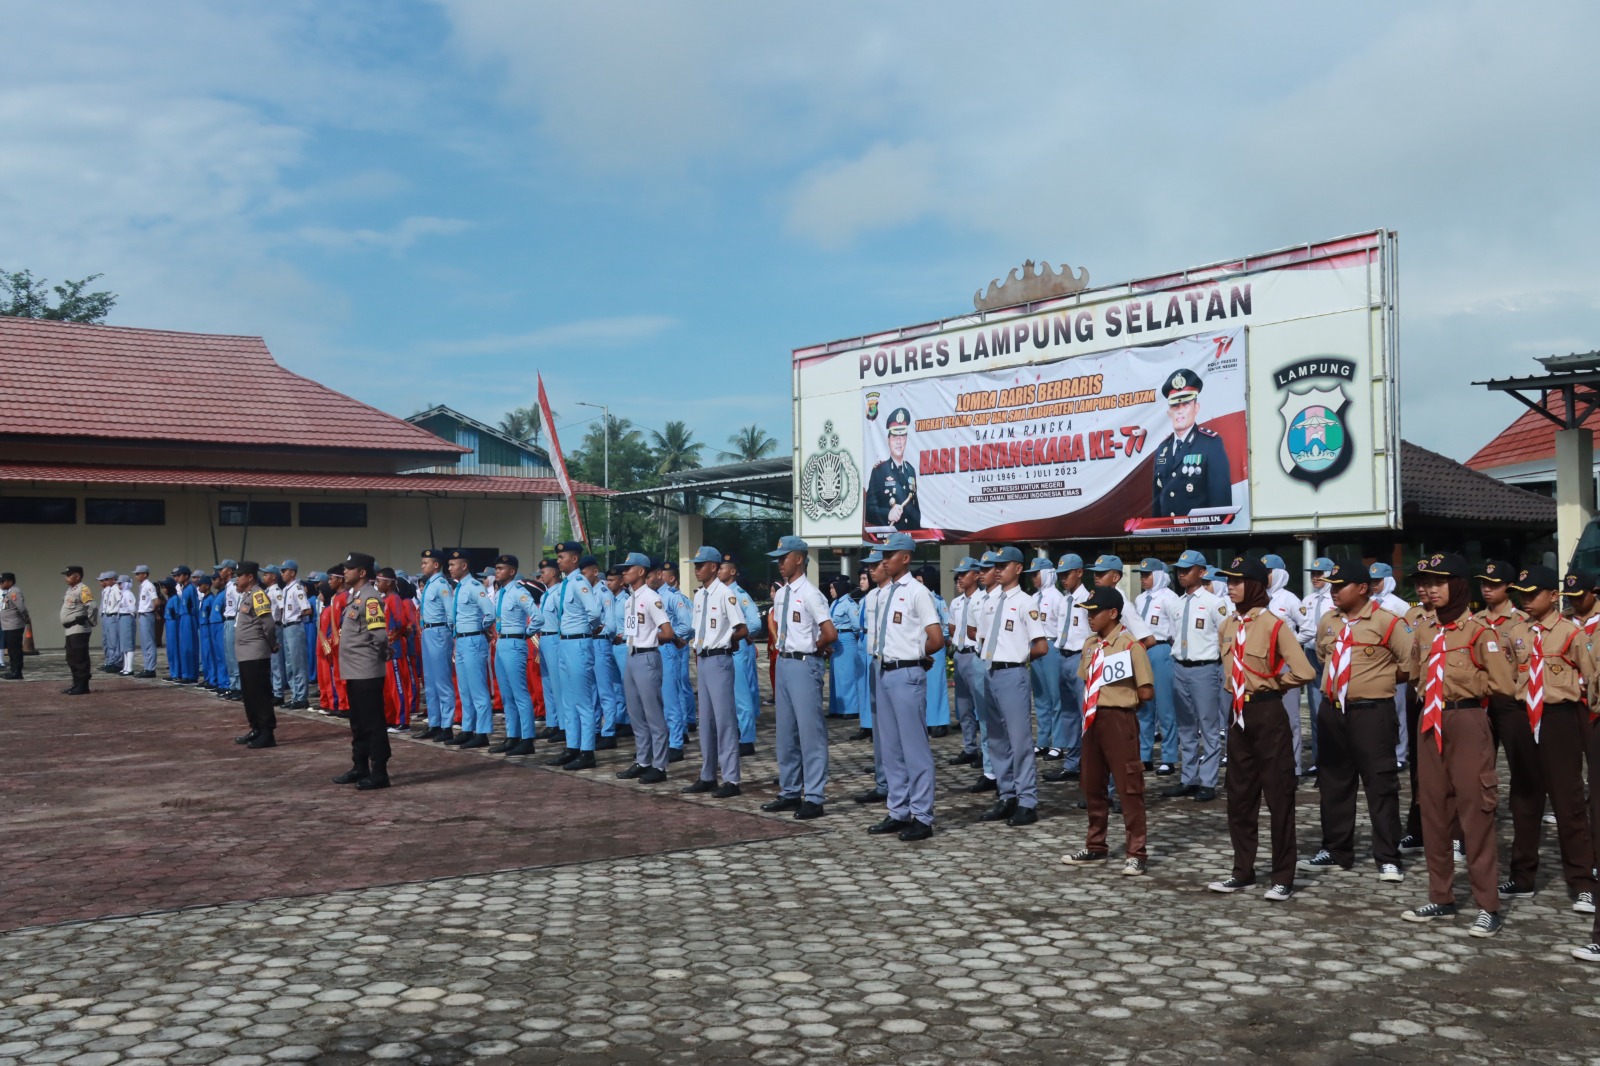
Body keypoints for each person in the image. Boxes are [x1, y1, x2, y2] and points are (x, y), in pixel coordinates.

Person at [1401, 552, 1515, 937]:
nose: (1428, 589)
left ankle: (1488, 905)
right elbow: (1417, 673)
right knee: (1433, 809)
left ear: (1459, 584)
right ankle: (1442, 896)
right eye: (1424, 582)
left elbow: (1502, 685)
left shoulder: (1480, 632)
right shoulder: (1423, 630)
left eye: (1437, 581)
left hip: (1467, 719)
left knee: (1475, 812)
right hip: (1429, 721)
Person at [1298, 558, 1413, 882]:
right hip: (1333, 711)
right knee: (1333, 782)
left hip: (1372, 712)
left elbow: (1409, 662)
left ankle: (1388, 856)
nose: (1333, 592)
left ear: (1362, 588)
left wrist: (1379, 680)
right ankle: (1335, 848)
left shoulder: (1387, 621)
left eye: (1340, 586)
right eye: (1332, 586)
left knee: (1380, 784)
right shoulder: (1328, 621)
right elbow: (1323, 656)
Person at [1208, 556, 1315, 901]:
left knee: (1279, 796)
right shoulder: (1228, 626)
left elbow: (1305, 671)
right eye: (1229, 581)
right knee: (1239, 797)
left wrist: (1273, 682)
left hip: (1268, 712)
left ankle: (1283, 875)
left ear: (1254, 585)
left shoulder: (1273, 624)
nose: (1231, 586)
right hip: (1237, 716)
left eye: (1238, 581)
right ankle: (1243, 871)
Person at [1503, 566, 1596, 912]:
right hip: (1525, 714)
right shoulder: (1517, 632)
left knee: (1567, 801)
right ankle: (1522, 875)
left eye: (1533, 594)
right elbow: (1514, 671)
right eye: (1522, 594)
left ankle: (1583, 881)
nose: (1526, 600)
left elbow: (1588, 675)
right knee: (1524, 799)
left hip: (1559, 717)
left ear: (1553, 596)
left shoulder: (1571, 633)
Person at [1062, 586, 1155, 872]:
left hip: (1119, 718)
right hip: (1092, 719)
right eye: (1087, 612)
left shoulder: (1130, 645)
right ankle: (1095, 845)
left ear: (1113, 613)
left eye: (1095, 612)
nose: (1089, 617)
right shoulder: (1090, 645)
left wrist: (1123, 704)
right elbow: (1086, 680)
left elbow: (1147, 690)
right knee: (1091, 783)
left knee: (1128, 785)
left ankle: (1136, 852)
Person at [859, 532, 944, 840]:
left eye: (890, 554)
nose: (884, 560)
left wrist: (918, 654)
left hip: (906, 674)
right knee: (890, 748)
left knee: (914, 748)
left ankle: (922, 815)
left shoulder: (917, 592)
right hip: (883, 671)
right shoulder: (883, 593)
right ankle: (898, 810)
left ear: (905, 558)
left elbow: (936, 637)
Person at [760, 535, 837, 820]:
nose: (780, 563)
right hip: (784, 663)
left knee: (810, 733)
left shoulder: (811, 594)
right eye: (779, 558)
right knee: (786, 733)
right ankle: (790, 790)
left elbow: (830, 634)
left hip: (804, 663)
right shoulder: (782, 594)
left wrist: (811, 648)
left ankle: (815, 796)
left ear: (800, 559)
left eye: (784, 557)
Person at [975, 545, 1050, 828]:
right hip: (990, 672)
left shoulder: (1026, 602)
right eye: (995, 565)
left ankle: (1027, 801)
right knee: (996, 739)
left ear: (1018, 569)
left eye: (1003, 565)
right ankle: (1007, 795)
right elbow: (983, 639)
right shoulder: (991, 601)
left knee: (1019, 741)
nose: (997, 569)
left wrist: (1019, 655)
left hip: (1012, 673)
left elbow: (1041, 646)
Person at [1474, 560, 1536, 894]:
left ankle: (1524, 862)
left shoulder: (1523, 621)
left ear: (1508, 588)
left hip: (1514, 703)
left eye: (1494, 584)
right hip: (1482, 703)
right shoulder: (1474, 621)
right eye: (1483, 583)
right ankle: (1469, 844)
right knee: (1474, 775)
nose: (1487, 589)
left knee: (1524, 778)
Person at [1162, 550, 1230, 803]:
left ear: (1201, 573)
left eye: (1186, 569)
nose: (1181, 573)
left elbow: (1226, 637)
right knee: (1186, 726)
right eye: (1179, 569)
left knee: (1209, 726)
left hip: (1205, 668)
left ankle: (1208, 781)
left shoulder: (1215, 603)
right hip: (1180, 666)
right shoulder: (1177, 603)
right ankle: (1188, 778)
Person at [683, 545, 748, 798]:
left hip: (720, 659)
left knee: (724, 721)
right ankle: (708, 774)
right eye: (695, 565)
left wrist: (727, 642)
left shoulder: (725, 594)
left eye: (700, 565)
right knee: (706, 722)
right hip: (703, 659)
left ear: (713, 566)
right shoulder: (700, 595)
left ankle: (731, 779)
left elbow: (741, 628)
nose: (697, 569)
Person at [332, 552, 392, 789]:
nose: (345, 571)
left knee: (372, 722)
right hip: (354, 670)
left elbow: (379, 635)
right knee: (357, 722)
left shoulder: (370, 598)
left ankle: (379, 771)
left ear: (362, 572)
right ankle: (360, 765)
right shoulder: (353, 597)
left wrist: (376, 656)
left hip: (366, 669)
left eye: (350, 568)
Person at [617, 551, 674, 784]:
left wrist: (652, 638)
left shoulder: (651, 597)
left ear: (641, 571)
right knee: (636, 713)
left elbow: (667, 632)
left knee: (653, 714)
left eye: (628, 568)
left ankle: (659, 766)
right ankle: (643, 760)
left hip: (647, 656)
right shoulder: (629, 599)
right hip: (632, 656)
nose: (623, 572)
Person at [1151, 367, 1231, 516]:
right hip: (1168, 536)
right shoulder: (1162, 450)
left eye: (1186, 404)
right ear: (1169, 412)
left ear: (1196, 407)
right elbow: (1156, 507)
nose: (1180, 410)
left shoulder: (1211, 445)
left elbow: (1221, 506)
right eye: (1175, 405)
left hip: (1200, 536)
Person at [550, 541, 602, 770]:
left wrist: (586, 630)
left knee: (582, 700)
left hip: (578, 642)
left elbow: (594, 611)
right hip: (564, 643)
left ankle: (587, 751)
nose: (558, 561)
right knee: (568, 700)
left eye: (562, 557)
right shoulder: (565, 584)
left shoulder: (580, 582)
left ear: (573, 559)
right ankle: (572, 746)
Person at [1044, 553, 1090, 784]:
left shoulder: (1088, 598)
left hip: (1080, 657)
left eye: (1067, 574)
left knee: (1085, 714)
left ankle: (1089, 763)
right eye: (1060, 575)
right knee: (1068, 713)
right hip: (1062, 656)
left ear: (1079, 573)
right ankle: (1072, 762)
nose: (1063, 579)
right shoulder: (1064, 600)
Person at [1133, 558, 1182, 775]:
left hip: (1161, 649)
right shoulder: (1140, 598)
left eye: (1147, 574)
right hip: (1140, 650)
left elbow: (1177, 627)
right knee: (1143, 705)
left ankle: (1169, 756)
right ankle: (1145, 755)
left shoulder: (1170, 598)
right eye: (1141, 575)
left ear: (1159, 575)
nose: (1143, 578)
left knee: (1165, 707)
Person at [441, 549, 493, 750]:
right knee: (464, 689)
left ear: (464, 566)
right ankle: (468, 729)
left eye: (453, 565)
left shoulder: (473, 586)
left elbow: (489, 612)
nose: (450, 568)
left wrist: (479, 628)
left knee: (478, 689)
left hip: (472, 639)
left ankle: (482, 732)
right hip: (461, 640)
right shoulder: (459, 588)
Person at [852, 548, 893, 804]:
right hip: (876, 663)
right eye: (869, 566)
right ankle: (883, 781)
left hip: (898, 666)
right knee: (879, 727)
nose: (870, 570)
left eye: (875, 565)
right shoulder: (871, 597)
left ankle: (900, 783)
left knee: (897, 731)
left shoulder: (903, 594)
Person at [488, 554, 538, 757]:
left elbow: (537, 617)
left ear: (512, 571)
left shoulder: (519, 592)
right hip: (502, 643)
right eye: (497, 568)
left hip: (515, 642)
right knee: (506, 694)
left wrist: (525, 633)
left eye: (501, 568)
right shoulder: (500, 594)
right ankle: (512, 735)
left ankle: (527, 738)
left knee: (520, 693)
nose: (497, 571)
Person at [231, 562, 279, 748]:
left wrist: (272, 644)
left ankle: (267, 732)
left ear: (250, 577)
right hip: (245, 654)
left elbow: (268, 624)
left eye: (240, 575)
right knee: (249, 694)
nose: (237, 578)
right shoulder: (247, 596)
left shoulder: (258, 596)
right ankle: (256, 728)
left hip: (256, 652)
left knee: (260, 694)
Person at [1296, 557, 1337, 772]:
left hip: (1333, 657)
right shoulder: (1308, 600)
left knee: (1337, 705)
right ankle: (1318, 759)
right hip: (1312, 654)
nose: (1315, 577)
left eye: (1320, 574)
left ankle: (1340, 756)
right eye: (1313, 573)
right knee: (1315, 708)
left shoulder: (1337, 598)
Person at [723, 555, 764, 755]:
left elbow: (755, 623)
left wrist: (741, 635)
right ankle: (736, 734)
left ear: (732, 571)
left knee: (742, 695)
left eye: (722, 567)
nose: (718, 571)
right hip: (725, 651)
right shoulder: (718, 593)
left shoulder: (739, 594)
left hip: (738, 648)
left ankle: (746, 740)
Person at [947, 558, 986, 769]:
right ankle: (969, 747)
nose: (960, 578)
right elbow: (952, 628)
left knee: (981, 705)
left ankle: (985, 751)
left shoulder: (984, 599)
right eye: (958, 574)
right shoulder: (956, 602)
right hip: (960, 654)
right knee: (963, 706)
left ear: (976, 575)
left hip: (974, 654)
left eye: (964, 573)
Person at [412, 549, 454, 739]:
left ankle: (446, 726)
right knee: (429, 681)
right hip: (428, 632)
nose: (422, 566)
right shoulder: (429, 584)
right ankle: (434, 723)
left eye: (425, 563)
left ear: (436, 565)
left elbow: (450, 612)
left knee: (442, 681)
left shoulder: (441, 584)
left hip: (439, 631)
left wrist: (451, 635)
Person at [585, 556, 626, 750]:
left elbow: (610, 624)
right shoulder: (586, 592)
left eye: (585, 572)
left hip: (601, 643)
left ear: (594, 572)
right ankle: (594, 729)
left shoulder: (604, 593)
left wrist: (598, 630)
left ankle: (608, 732)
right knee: (592, 691)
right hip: (588, 644)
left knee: (605, 691)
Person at [1025, 557, 1063, 759]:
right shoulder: (1033, 598)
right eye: (1032, 574)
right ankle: (1043, 740)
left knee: (1055, 696)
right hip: (1035, 644)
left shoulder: (1057, 598)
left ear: (1048, 574)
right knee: (1040, 697)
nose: (1033, 578)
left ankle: (1058, 742)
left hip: (1051, 644)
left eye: (1036, 574)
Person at [659, 561, 696, 759]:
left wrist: (675, 638)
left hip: (672, 647)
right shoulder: (652, 596)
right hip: (657, 648)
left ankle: (681, 731)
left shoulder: (675, 598)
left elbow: (689, 625)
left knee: (678, 687)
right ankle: (671, 734)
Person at [865, 406, 921, 530]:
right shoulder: (879, 471)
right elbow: (868, 511)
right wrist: (887, 514)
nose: (899, 442)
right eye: (895, 437)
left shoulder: (910, 471)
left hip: (910, 538)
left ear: (906, 439)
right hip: (889, 539)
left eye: (902, 437)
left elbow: (915, 510)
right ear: (888, 440)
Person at [917, 564, 953, 735]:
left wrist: (941, 637)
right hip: (922, 645)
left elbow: (945, 623)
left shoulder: (938, 601)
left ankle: (939, 721)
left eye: (921, 580)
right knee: (924, 686)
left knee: (937, 685)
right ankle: (926, 720)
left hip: (936, 646)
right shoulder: (916, 597)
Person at [827, 575, 866, 723]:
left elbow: (857, 625)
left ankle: (851, 709)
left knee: (847, 677)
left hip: (847, 640)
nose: (830, 590)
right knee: (835, 676)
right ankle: (837, 708)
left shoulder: (849, 604)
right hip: (836, 641)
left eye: (833, 587)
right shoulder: (835, 603)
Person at [276, 560, 312, 709]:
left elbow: (307, 609)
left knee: (298, 664)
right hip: (286, 627)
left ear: (292, 572)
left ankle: (302, 697)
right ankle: (295, 695)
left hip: (295, 627)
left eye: (284, 571)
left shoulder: (297, 588)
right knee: (289, 664)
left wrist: (297, 617)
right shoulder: (285, 590)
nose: (282, 574)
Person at [58, 565, 97, 695]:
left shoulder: (83, 589)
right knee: (71, 658)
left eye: (69, 575)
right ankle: (76, 683)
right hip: (70, 630)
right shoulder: (70, 590)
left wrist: (90, 621)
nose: (66, 578)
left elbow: (92, 606)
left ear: (77, 576)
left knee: (80, 658)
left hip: (79, 628)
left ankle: (83, 685)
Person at [163, 566, 198, 684]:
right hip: (184, 617)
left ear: (186, 576)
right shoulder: (184, 589)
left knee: (189, 647)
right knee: (184, 648)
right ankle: (186, 673)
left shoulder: (190, 588)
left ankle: (190, 674)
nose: (176, 578)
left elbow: (194, 606)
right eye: (175, 576)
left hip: (188, 617)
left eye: (178, 575)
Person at [132, 564, 159, 678]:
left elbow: (156, 601)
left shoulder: (149, 585)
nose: (136, 576)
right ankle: (147, 667)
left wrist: (151, 611)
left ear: (145, 574)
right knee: (144, 642)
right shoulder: (143, 586)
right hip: (143, 615)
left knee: (149, 642)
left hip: (147, 614)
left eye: (138, 574)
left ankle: (151, 668)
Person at [0, 573, 28, 680]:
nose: (0, 583)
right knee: (11, 650)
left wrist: (26, 618)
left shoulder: (14, 592)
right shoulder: (8, 592)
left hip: (14, 625)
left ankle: (17, 671)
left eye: (2, 581)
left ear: (10, 582)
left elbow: (21, 608)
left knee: (15, 650)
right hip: (8, 625)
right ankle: (13, 670)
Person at [97, 570, 123, 673]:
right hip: (106, 615)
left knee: (114, 641)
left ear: (113, 579)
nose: (103, 582)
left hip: (113, 616)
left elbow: (120, 603)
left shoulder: (116, 589)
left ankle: (116, 663)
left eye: (106, 580)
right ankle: (110, 661)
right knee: (107, 641)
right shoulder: (108, 590)